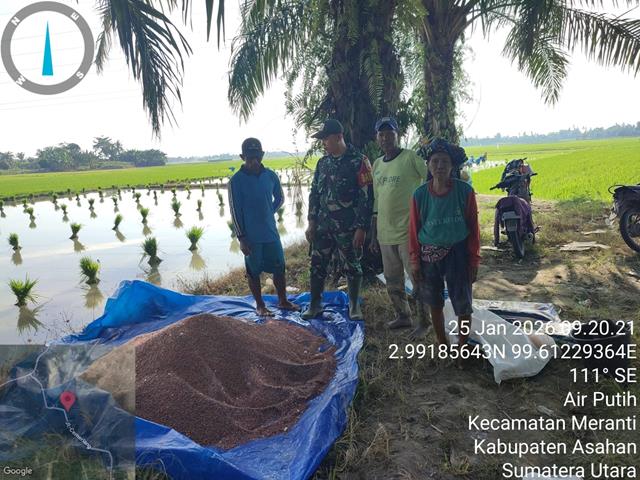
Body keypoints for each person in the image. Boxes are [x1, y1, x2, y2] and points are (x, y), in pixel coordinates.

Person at [408, 138, 480, 349]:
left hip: (458, 254)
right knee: (435, 303)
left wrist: (474, 259)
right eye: (435, 161)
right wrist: (414, 261)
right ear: (428, 165)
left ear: (452, 166)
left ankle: (463, 347)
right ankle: (442, 344)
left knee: (463, 305)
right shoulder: (419, 195)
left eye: (445, 161)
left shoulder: (465, 191)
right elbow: (413, 230)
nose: (440, 166)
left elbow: (473, 228)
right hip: (428, 256)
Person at [303, 119, 373, 321]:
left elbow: (367, 197)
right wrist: (311, 222)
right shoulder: (322, 163)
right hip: (323, 226)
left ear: (338, 137)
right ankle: (315, 305)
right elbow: (314, 194)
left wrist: (362, 228)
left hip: (348, 227)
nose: (323, 143)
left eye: (325, 139)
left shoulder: (359, 161)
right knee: (317, 264)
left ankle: (354, 305)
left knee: (352, 266)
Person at [369, 116, 431, 337]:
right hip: (385, 233)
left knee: (417, 277)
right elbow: (377, 200)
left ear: (398, 135)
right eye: (381, 134)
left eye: (390, 133)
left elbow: (430, 179)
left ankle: (425, 322)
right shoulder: (377, 164)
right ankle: (403, 315)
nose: (385, 138)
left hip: (408, 232)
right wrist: (374, 232)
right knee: (392, 279)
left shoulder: (410, 158)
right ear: (377, 137)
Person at [229, 137, 300, 316]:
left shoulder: (270, 176)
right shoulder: (236, 181)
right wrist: (241, 238)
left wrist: (270, 211)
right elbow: (235, 211)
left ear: (262, 155)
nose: (254, 161)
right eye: (250, 158)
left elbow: (280, 198)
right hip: (250, 237)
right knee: (253, 272)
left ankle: (282, 300)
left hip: (271, 233)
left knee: (279, 267)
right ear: (242, 157)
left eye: (257, 157)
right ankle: (260, 305)